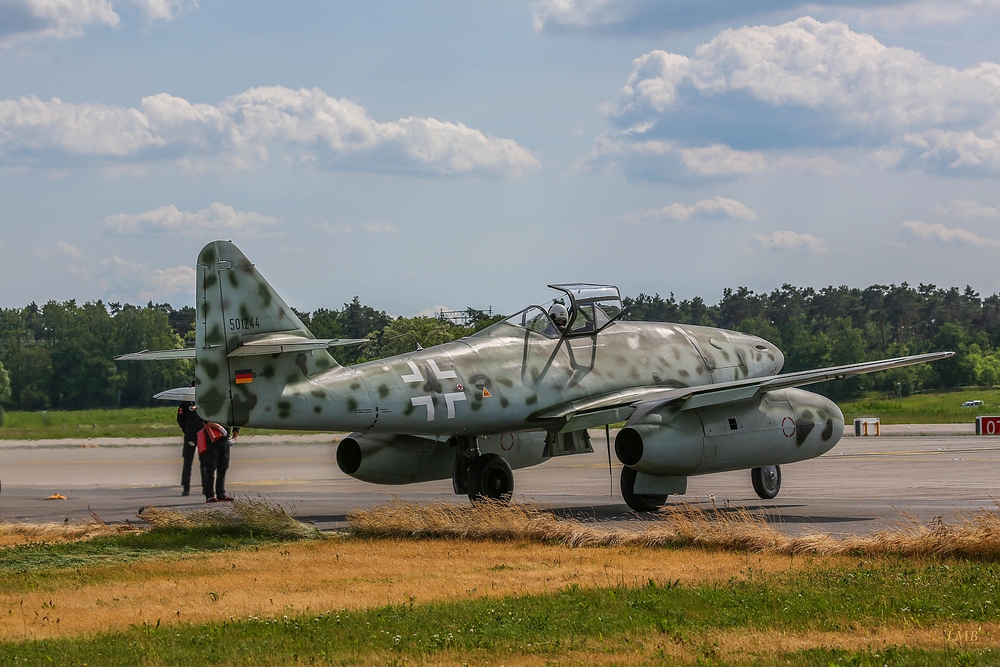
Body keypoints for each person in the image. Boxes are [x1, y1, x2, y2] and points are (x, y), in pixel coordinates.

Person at [175, 382, 203, 497]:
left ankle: (206, 487)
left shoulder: (203, 400)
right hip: (195, 435)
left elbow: (180, 419)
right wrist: (186, 430)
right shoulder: (186, 402)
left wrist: (186, 430)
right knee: (188, 462)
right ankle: (186, 487)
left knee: (205, 462)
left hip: (200, 435)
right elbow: (180, 418)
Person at [200, 422, 238, 503]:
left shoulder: (229, 409)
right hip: (212, 439)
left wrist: (234, 437)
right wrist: (219, 427)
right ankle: (209, 495)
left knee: (223, 467)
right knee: (210, 468)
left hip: (225, 440)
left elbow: (236, 421)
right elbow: (205, 419)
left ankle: (221, 494)